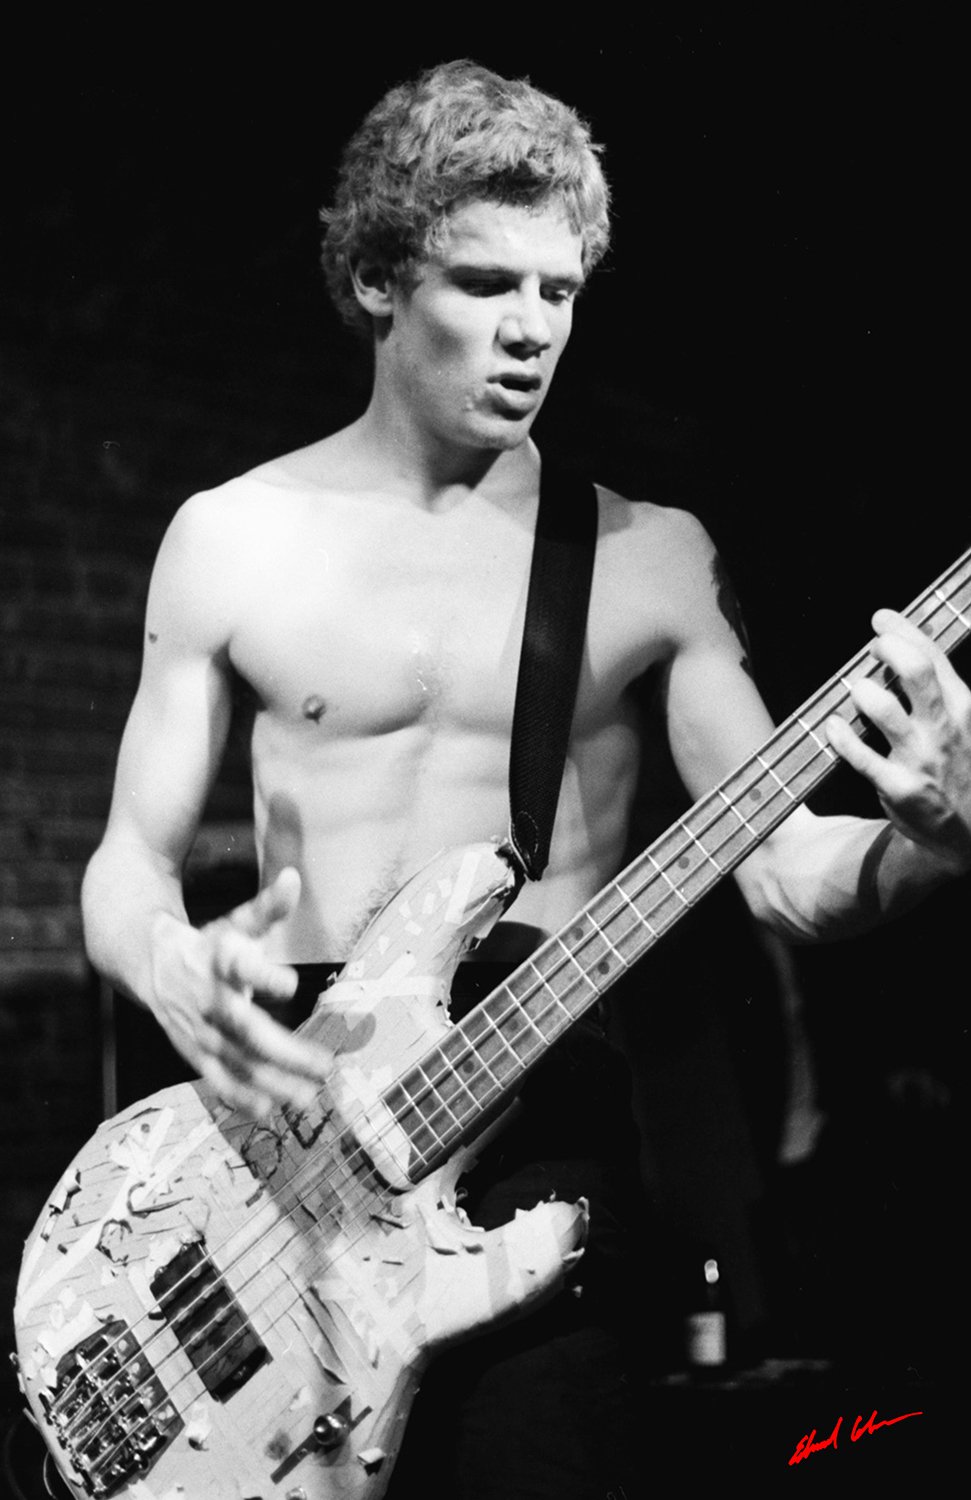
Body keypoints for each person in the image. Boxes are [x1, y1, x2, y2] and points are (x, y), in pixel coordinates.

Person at [81, 60, 971, 1498]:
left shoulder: (650, 559)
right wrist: (165, 961)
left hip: (532, 1131)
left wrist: (938, 838)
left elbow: (790, 878)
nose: (532, 329)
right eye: (486, 283)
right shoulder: (232, 539)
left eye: (560, 291)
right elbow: (127, 864)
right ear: (377, 280)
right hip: (280, 1142)